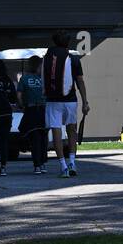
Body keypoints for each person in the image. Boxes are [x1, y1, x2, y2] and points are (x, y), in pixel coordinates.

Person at [43, 31, 89, 179]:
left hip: (52, 100)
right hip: (70, 100)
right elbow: (80, 81)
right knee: (71, 130)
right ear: (68, 43)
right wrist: (85, 101)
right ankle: (72, 163)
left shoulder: (47, 57)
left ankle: (63, 166)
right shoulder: (74, 58)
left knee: (56, 131)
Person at [18, 55, 49, 174]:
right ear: (37, 65)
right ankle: (42, 163)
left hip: (31, 110)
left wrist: (21, 105)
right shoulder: (44, 79)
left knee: (35, 138)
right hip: (43, 110)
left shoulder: (24, 79)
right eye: (41, 65)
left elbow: (19, 95)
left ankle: (37, 164)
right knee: (42, 137)